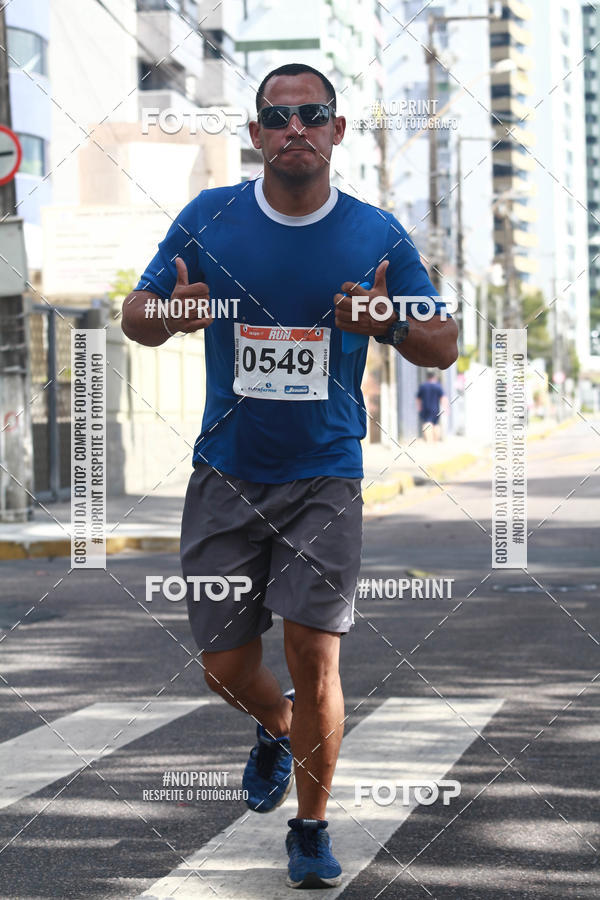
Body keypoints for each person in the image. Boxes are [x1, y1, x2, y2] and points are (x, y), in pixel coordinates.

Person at [121, 62, 458, 890]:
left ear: (338, 131)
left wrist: (388, 321)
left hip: (326, 474)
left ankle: (311, 828)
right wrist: (169, 314)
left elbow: (443, 340)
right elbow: (135, 313)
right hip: (227, 471)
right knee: (225, 669)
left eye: (313, 114)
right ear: (256, 134)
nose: (294, 127)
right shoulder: (212, 218)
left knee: (314, 651)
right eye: (278, 117)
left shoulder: (376, 233)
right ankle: (275, 724)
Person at [417, 370, 448, 442]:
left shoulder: (423, 386)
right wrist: (445, 408)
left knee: (427, 423)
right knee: (436, 424)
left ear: (427, 377)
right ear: (434, 377)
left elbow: (418, 398)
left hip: (425, 408)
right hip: (435, 409)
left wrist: (419, 407)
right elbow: (443, 398)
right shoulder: (438, 386)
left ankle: (429, 441)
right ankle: (435, 441)